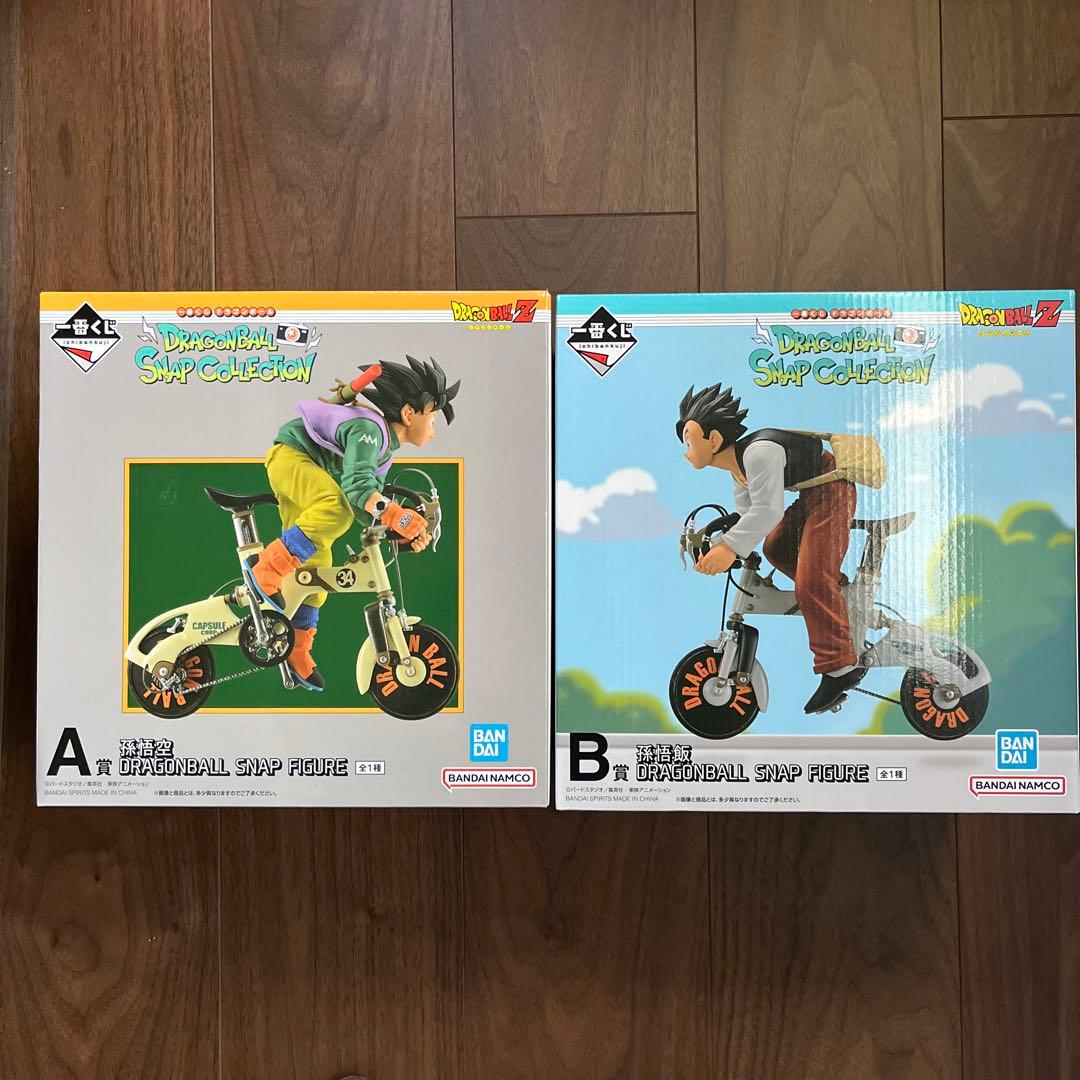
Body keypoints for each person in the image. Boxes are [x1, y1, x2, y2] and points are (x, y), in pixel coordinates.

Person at [246, 356, 460, 691]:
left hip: (307, 471)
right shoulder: (369, 432)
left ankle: (296, 648)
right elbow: (358, 489)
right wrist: (399, 516)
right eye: (432, 419)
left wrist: (401, 530)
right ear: (409, 414)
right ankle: (266, 568)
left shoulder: (383, 452)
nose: (433, 429)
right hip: (292, 457)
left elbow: (364, 505)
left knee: (314, 571)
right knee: (335, 510)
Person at [676, 382, 864, 713]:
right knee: (776, 548)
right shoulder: (737, 469)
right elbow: (749, 512)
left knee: (811, 582)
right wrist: (719, 535)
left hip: (832, 489)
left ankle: (840, 668)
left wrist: (729, 548)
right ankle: (838, 596)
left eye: (690, 442)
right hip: (812, 493)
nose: (686, 451)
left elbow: (768, 510)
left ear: (714, 440)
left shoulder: (758, 454)